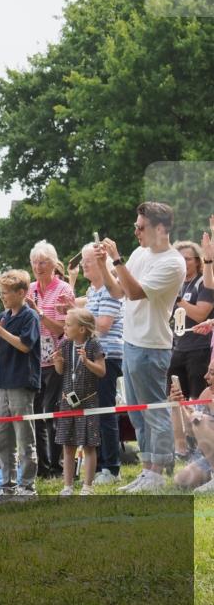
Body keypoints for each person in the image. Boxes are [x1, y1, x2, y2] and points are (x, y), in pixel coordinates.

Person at [98, 203, 186, 493]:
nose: (135, 231)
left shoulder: (173, 263)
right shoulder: (138, 254)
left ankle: (158, 473)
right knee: (137, 413)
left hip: (152, 346)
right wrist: (103, 265)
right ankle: (147, 470)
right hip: (131, 343)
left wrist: (116, 259)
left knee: (154, 413)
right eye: (136, 226)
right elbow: (117, 291)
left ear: (160, 229)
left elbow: (135, 293)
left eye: (141, 226)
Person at [63, 244, 126, 485]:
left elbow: (104, 324)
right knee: (94, 413)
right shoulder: (92, 291)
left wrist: (79, 319)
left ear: (101, 265)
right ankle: (98, 465)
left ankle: (112, 467)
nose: (83, 266)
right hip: (93, 356)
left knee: (105, 412)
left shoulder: (109, 290)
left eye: (87, 261)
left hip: (108, 356)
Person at [0, 270, 41, 497]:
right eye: (1, 293)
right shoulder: (4, 316)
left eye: (6, 292)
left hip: (21, 382)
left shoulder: (30, 317)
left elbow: (25, 345)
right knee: (3, 437)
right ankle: (7, 486)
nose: (2, 297)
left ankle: (27, 486)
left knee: (25, 437)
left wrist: (0, 330)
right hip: (2, 382)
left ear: (22, 293)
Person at [28, 240, 74, 479]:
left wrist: (40, 314)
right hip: (35, 361)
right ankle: (42, 467)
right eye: (35, 262)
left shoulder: (64, 290)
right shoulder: (29, 289)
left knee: (52, 412)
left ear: (54, 264)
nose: (38, 266)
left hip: (58, 359)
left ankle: (57, 466)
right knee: (35, 414)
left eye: (43, 262)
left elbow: (63, 330)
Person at [51, 309, 106, 496]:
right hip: (68, 401)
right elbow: (61, 371)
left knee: (89, 445)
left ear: (82, 329)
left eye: (68, 324)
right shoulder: (65, 345)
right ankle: (67, 485)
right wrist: (58, 362)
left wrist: (86, 361)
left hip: (88, 402)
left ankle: (87, 486)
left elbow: (101, 371)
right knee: (67, 445)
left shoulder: (94, 345)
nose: (64, 327)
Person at [168, 240, 214, 455]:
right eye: (179, 259)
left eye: (187, 259)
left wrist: (177, 301)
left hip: (200, 348)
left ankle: (200, 447)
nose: (183, 263)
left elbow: (200, 314)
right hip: (177, 348)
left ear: (197, 261)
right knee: (176, 398)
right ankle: (181, 446)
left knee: (197, 400)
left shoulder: (203, 283)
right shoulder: (177, 283)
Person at [170, 361, 214, 491]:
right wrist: (179, 405)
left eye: (212, 373)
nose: (205, 377)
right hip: (209, 456)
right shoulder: (207, 393)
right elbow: (190, 430)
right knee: (181, 480)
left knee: (201, 421)